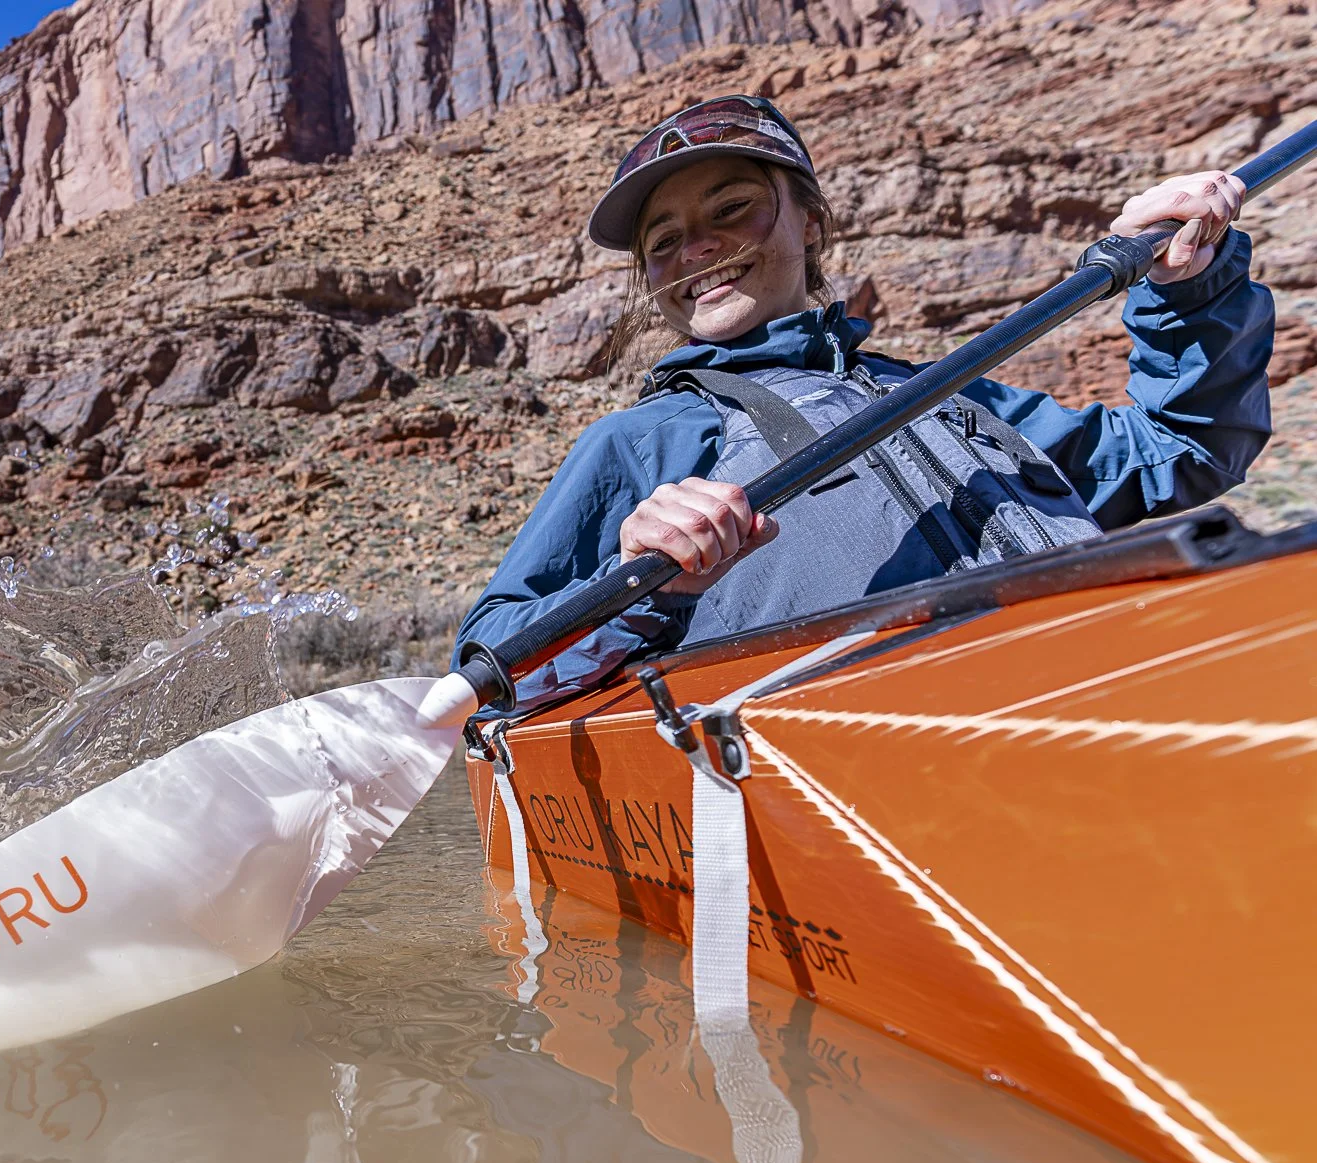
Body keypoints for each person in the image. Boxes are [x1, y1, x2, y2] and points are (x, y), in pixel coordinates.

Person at [456, 95, 1273, 710]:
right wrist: (639, 581)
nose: (694, 248)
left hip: (1101, 698)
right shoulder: (640, 442)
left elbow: (1182, 452)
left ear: (810, 223)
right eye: (662, 243)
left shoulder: (947, 396)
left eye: (729, 208)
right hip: (877, 764)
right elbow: (489, 663)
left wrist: (1187, 286)